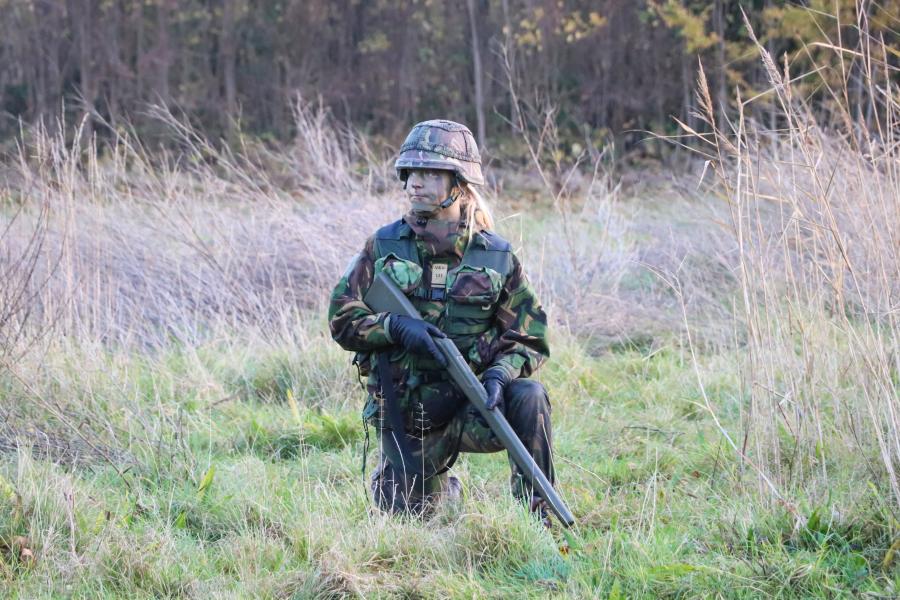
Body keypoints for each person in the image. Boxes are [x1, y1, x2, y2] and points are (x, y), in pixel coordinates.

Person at [328, 119, 555, 523]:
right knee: (411, 522)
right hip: (408, 414)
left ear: (459, 182)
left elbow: (529, 336)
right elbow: (341, 317)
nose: (416, 182)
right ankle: (441, 490)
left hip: (476, 409)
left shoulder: (496, 256)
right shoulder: (383, 245)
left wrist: (500, 375)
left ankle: (537, 523)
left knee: (530, 397)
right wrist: (392, 327)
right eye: (411, 172)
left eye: (430, 173)